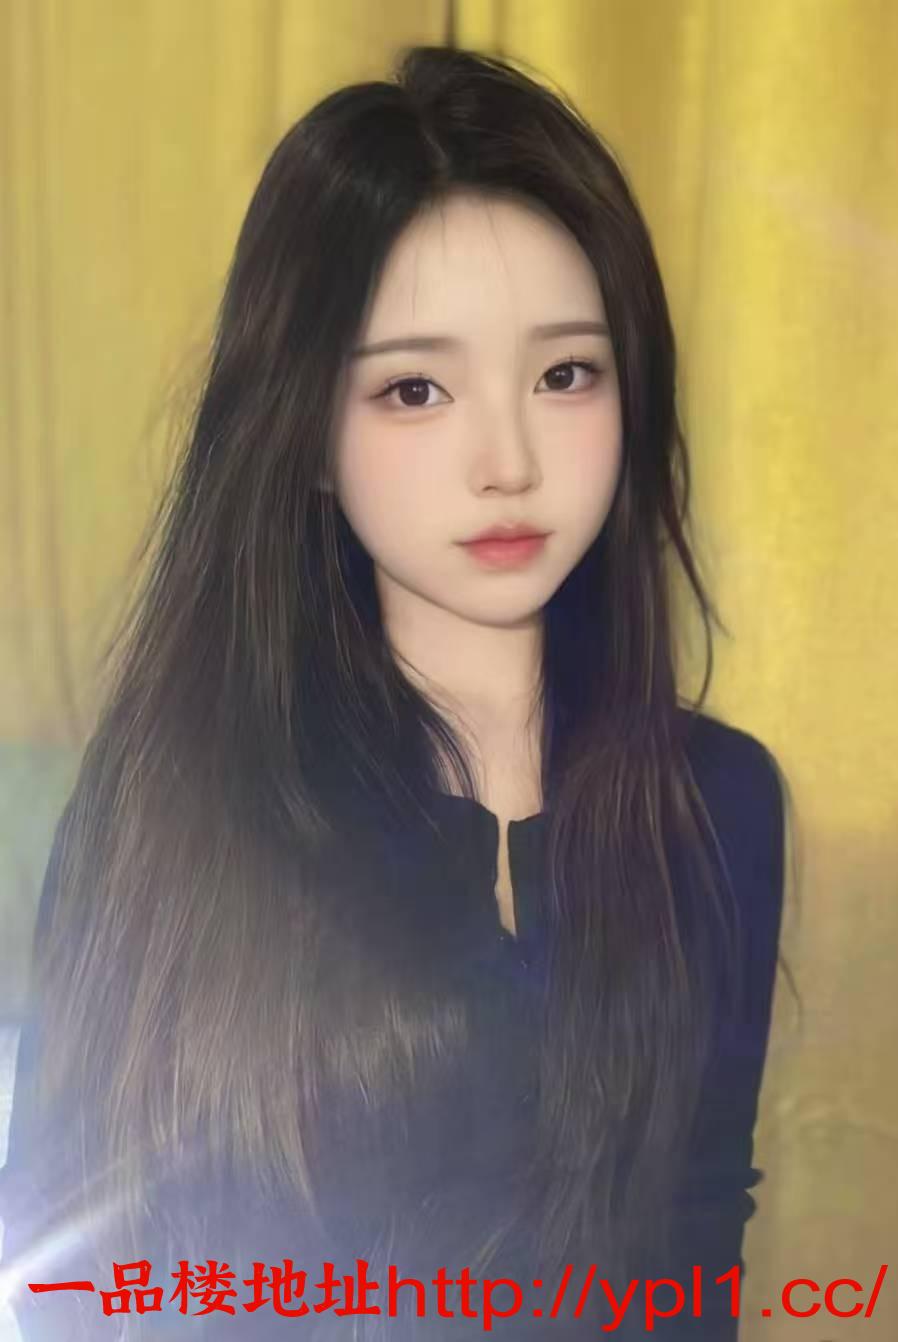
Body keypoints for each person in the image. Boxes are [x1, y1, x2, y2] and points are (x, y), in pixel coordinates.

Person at [0, 43, 788, 1341]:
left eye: (564, 374)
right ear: (308, 433)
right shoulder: (177, 799)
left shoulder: (717, 803)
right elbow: (68, 1275)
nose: (507, 460)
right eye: (415, 388)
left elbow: (695, 1251)